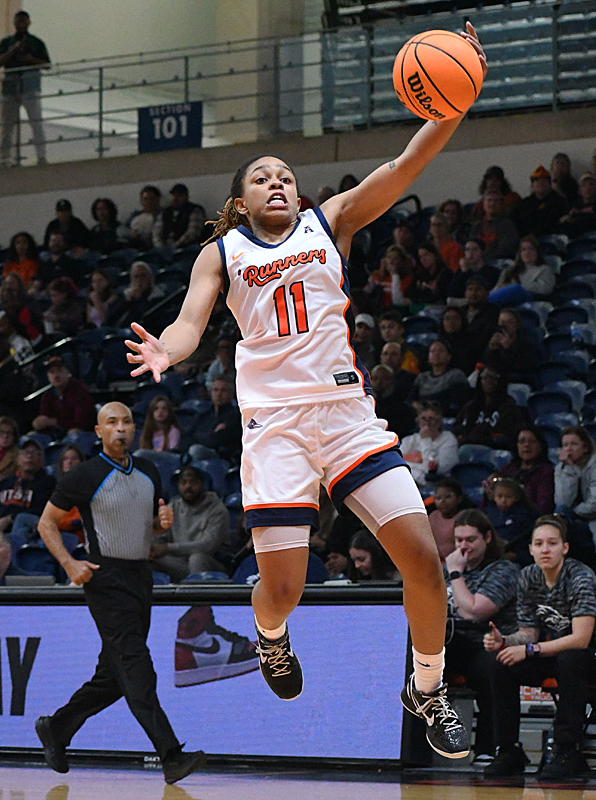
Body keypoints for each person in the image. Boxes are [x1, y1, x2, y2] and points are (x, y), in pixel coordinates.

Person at [125, 21, 487, 761]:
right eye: (262, 176)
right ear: (240, 201)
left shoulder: (335, 219)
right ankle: (269, 636)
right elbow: (194, 322)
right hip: (277, 429)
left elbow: (410, 160)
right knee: (283, 588)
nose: (278, 181)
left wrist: (457, 94)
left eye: (286, 174)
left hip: (347, 416)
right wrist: (170, 348)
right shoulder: (219, 252)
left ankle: (426, 685)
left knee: (421, 558)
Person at [34, 402, 206, 783]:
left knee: (114, 677)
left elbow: (143, 529)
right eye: (111, 422)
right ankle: (171, 755)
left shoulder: (148, 470)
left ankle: (57, 728)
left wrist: (161, 527)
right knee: (136, 666)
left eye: (127, 421)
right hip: (105, 578)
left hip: (139, 576)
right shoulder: (83, 475)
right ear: (98, 432)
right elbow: (46, 524)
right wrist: (69, 564)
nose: (121, 428)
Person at [484, 515, 596, 780]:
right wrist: (505, 642)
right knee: (500, 662)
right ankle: (509, 750)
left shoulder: (581, 577)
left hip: (587, 655)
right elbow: (528, 634)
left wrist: (531, 650)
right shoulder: (528, 577)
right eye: (539, 543)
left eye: (552, 543)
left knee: (570, 660)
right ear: (531, 549)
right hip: (553, 653)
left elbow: (581, 639)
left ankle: (568, 750)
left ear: (564, 548)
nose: (545, 549)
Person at [444, 509, 519, 762]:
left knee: (492, 669)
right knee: (414, 662)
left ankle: (489, 747)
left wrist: (455, 573)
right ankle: (412, 746)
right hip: (449, 641)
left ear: (487, 537)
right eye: (458, 540)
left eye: (470, 540)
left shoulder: (504, 571)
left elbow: (474, 611)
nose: (463, 547)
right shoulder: (446, 571)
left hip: (485, 642)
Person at [149, 465, 231, 581]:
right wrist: (153, 546)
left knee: (197, 558)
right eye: (183, 482)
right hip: (180, 564)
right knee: (147, 558)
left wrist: (168, 548)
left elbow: (208, 546)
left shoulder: (217, 509)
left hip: (211, 564)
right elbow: (161, 538)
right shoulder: (173, 507)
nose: (188, 486)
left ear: (203, 485)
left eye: (193, 482)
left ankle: (196, 598)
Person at [0, 10, 50, 166]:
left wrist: (29, 59)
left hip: (30, 86)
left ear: (28, 22)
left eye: (23, 21)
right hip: (10, 87)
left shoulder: (36, 43)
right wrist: (13, 50)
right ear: (14, 23)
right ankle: (5, 157)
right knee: (7, 124)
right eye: (18, 21)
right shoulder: (6, 43)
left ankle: (41, 156)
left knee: (36, 121)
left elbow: (46, 65)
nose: (21, 24)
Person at [453, 365, 524, 450]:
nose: (489, 381)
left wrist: (468, 439)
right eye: (485, 377)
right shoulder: (470, 406)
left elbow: (502, 438)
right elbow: (457, 428)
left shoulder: (509, 408)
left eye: (494, 377)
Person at [554, 425, 596, 566]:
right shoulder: (561, 468)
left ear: (585, 448)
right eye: (565, 445)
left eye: (574, 444)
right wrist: (569, 471)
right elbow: (562, 501)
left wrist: (573, 512)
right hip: (575, 520)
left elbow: (594, 504)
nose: (568, 449)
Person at [0, 438, 56, 534]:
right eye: (25, 452)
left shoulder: (47, 483)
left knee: (21, 519)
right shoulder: (5, 483)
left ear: (42, 460)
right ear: (18, 458)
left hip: (26, 528)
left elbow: (41, 510)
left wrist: (10, 518)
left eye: (35, 453)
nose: (29, 456)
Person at [32, 356, 96, 439]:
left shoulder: (79, 391)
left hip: (84, 433)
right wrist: (38, 422)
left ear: (68, 372)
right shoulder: (48, 395)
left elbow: (81, 422)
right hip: (56, 433)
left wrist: (54, 422)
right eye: (52, 372)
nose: (56, 375)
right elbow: (44, 415)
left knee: (74, 434)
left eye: (59, 371)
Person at [499, 425, 555, 516]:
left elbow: (544, 507)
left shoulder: (546, 471)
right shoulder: (507, 470)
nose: (526, 445)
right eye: (522, 441)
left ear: (540, 446)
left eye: (532, 441)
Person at [400, 401, 459, 487]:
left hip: (434, 484)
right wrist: (419, 467)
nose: (427, 423)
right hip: (408, 479)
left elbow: (430, 470)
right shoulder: (409, 440)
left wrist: (426, 440)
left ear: (439, 422)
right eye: (423, 418)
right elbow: (399, 464)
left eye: (431, 419)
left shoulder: (449, 440)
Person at [407, 339, 470, 417]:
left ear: (449, 356)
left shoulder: (456, 375)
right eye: (432, 351)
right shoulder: (422, 377)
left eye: (441, 351)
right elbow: (410, 401)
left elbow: (456, 405)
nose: (436, 354)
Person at [484, 477, 537, 566]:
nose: (503, 500)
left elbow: (528, 543)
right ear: (494, 497)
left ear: (516, 498)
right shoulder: (489, 513)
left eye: (508, 497)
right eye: (500, 496)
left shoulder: (525, 516)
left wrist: (516, 556)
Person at [490, 234, 555, 304]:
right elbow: (497, 288)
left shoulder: (545, 269)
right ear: (520, 253)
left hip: (530, 300)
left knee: (515, 289)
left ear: (537, 252)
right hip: (505, 300)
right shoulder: (508, 270)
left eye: (531, 249)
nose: (527, 252)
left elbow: (545, 289)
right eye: (524, 249)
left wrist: (514, 286)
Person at [190, 376, 242, 462]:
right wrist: (212, 433)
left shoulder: (236, 416)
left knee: (196, 450)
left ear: (231, 394)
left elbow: (216, 440)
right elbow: (187, 437)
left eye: (223, 390)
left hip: (222, 459)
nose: (219, 394)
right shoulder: (203, 415)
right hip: (199, 455)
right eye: (216, 390)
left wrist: (199, 436)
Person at [511, 165, 569, 239]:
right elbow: (514, 222)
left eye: (544, 180)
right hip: (527, 241)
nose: (541, 183)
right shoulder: (524, 204)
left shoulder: (560, 202)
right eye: (537, 180)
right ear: (532, 185)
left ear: (549, 184)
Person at [152, 183, 206, 251]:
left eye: (179, 195)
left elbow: (192, 233)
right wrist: (161, 247)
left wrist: (175, 245)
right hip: (165, 249)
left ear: (186, 196)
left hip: (186, 248)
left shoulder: (194, 210)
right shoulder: (165, 212)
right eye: (173, 195)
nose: (175, 198)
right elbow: (156, 233)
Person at [469, 190, 519, 262]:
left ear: (501, 204)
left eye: (496, 201)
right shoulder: (477, 226)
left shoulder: (508, 225)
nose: (492, 204)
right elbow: (471, 246)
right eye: (489, 200)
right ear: (483, 203)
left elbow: (505, 250)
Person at [369, 364, 416, 440]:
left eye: (384, 379)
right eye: (375, 378)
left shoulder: (401, 407)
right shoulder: (366, 404)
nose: (379, 382)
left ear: (392, 381)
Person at [428, 478, 467, 561]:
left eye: (448, 497)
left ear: (459, 498)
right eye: (438, 498)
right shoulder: (433, 516)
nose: (442, 501)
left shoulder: (465, 517)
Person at [557, 172, 596, 238]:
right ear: (580, 190)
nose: (587, 188)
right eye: (584, 185)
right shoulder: (572, 205)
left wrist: (574, 220)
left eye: (591, 184)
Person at [126, 185, 162, 251]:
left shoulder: (163, 214)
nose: (148, 202)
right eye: (145, 199)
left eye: (151, 198)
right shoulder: (135, 215)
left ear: (157, 199)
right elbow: (124, 229)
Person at [0, 416, 19, 482]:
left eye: (9, 433)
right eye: (1, 432)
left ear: (14, 436)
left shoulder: (18, 456)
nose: (5, 436)